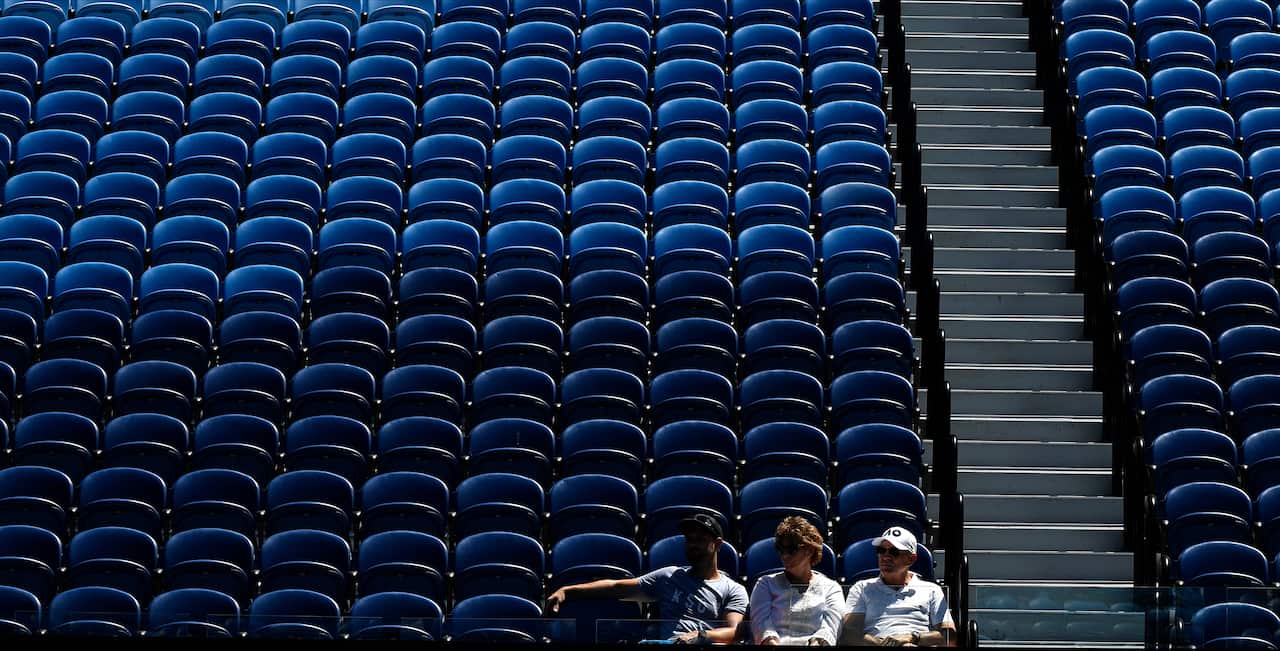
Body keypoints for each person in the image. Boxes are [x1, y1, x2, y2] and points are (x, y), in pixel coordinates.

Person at [546, 514, 748, 643]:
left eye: (701, 540)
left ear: (718, 544)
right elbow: (616, 587)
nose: (693, 544)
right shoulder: (670, 575)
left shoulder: (732, 589)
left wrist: (700, 636)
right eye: (689, 540)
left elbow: (734, 632)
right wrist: (568, 590)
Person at [840, 527, 956, 647]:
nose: (885, 556)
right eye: (881, 550)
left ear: (911, 559)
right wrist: (885, 644)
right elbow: (850, 633)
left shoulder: (932, 590)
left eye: (894, 552)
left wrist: (912, 638)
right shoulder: (861, 588)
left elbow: (949, 637)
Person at [748, 516, 846, 646]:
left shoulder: (831, 588)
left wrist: (817, 643)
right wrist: (771, 642)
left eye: (791, 550)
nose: (784, 555)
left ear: (810, 550)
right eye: (781, 550)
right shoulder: (765, 584)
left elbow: (831, 627)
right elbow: (761, 624)